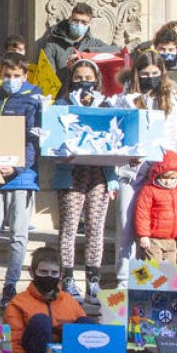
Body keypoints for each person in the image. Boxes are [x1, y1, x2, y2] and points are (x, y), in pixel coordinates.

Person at [112, 50, 177, 282]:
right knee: (126, 225)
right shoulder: (123, 96)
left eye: (155, 73)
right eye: (146, 74)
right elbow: (116, 131)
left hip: (161, 170)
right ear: (137, 73)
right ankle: (124, 280)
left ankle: (152, 279)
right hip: (131, 168)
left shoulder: (171, 98)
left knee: (155, 228)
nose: (151, 78)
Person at [0, 53, 42, 307]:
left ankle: (9, 286)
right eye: (6, 76)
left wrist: (16, 166)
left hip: (22, 177)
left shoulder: (34, 101)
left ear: (25, 76)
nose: (11, 80)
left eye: (16, 76)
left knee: (17, 234)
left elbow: (34, 140)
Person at [52, 59, 116, 303]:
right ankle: (67, 277)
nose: (84, 83)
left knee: (95, 226)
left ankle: (93, 279)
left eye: (88, 78)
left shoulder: (106, 103)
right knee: (69, 225)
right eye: (78, 78)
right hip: (71, 172)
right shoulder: (62, 103)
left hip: (99, 173)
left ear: (96, 79)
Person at [3, 247, 89, 353]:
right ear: (32, 272)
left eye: (54, 273)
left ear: (61, 274)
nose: (49, 276)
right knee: (41, 321)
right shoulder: (18, 303)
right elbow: (13, 342)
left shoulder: (69, 301)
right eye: (43, 272)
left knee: (85, 322)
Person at [133, 150, 177, 264]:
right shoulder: (149, 190)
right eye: (164, 178)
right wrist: (143, 235)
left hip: (172, 240)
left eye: (172, 179)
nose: (167, 182)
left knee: (170, 269)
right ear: (157, 175)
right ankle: (148, 282)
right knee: (153, 267)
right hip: (154, 239)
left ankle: (166, 282)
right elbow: (142, 213)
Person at [35, 2, 118, 80]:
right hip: (63, 92)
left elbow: (118, 51)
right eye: (76, 20)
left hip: (88, 91)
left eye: (84, 22)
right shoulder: (53, 43)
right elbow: (47, 75)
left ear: (89, 24)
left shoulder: (94, 43)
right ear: (70, 19)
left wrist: (86, 55)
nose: (79, 24)